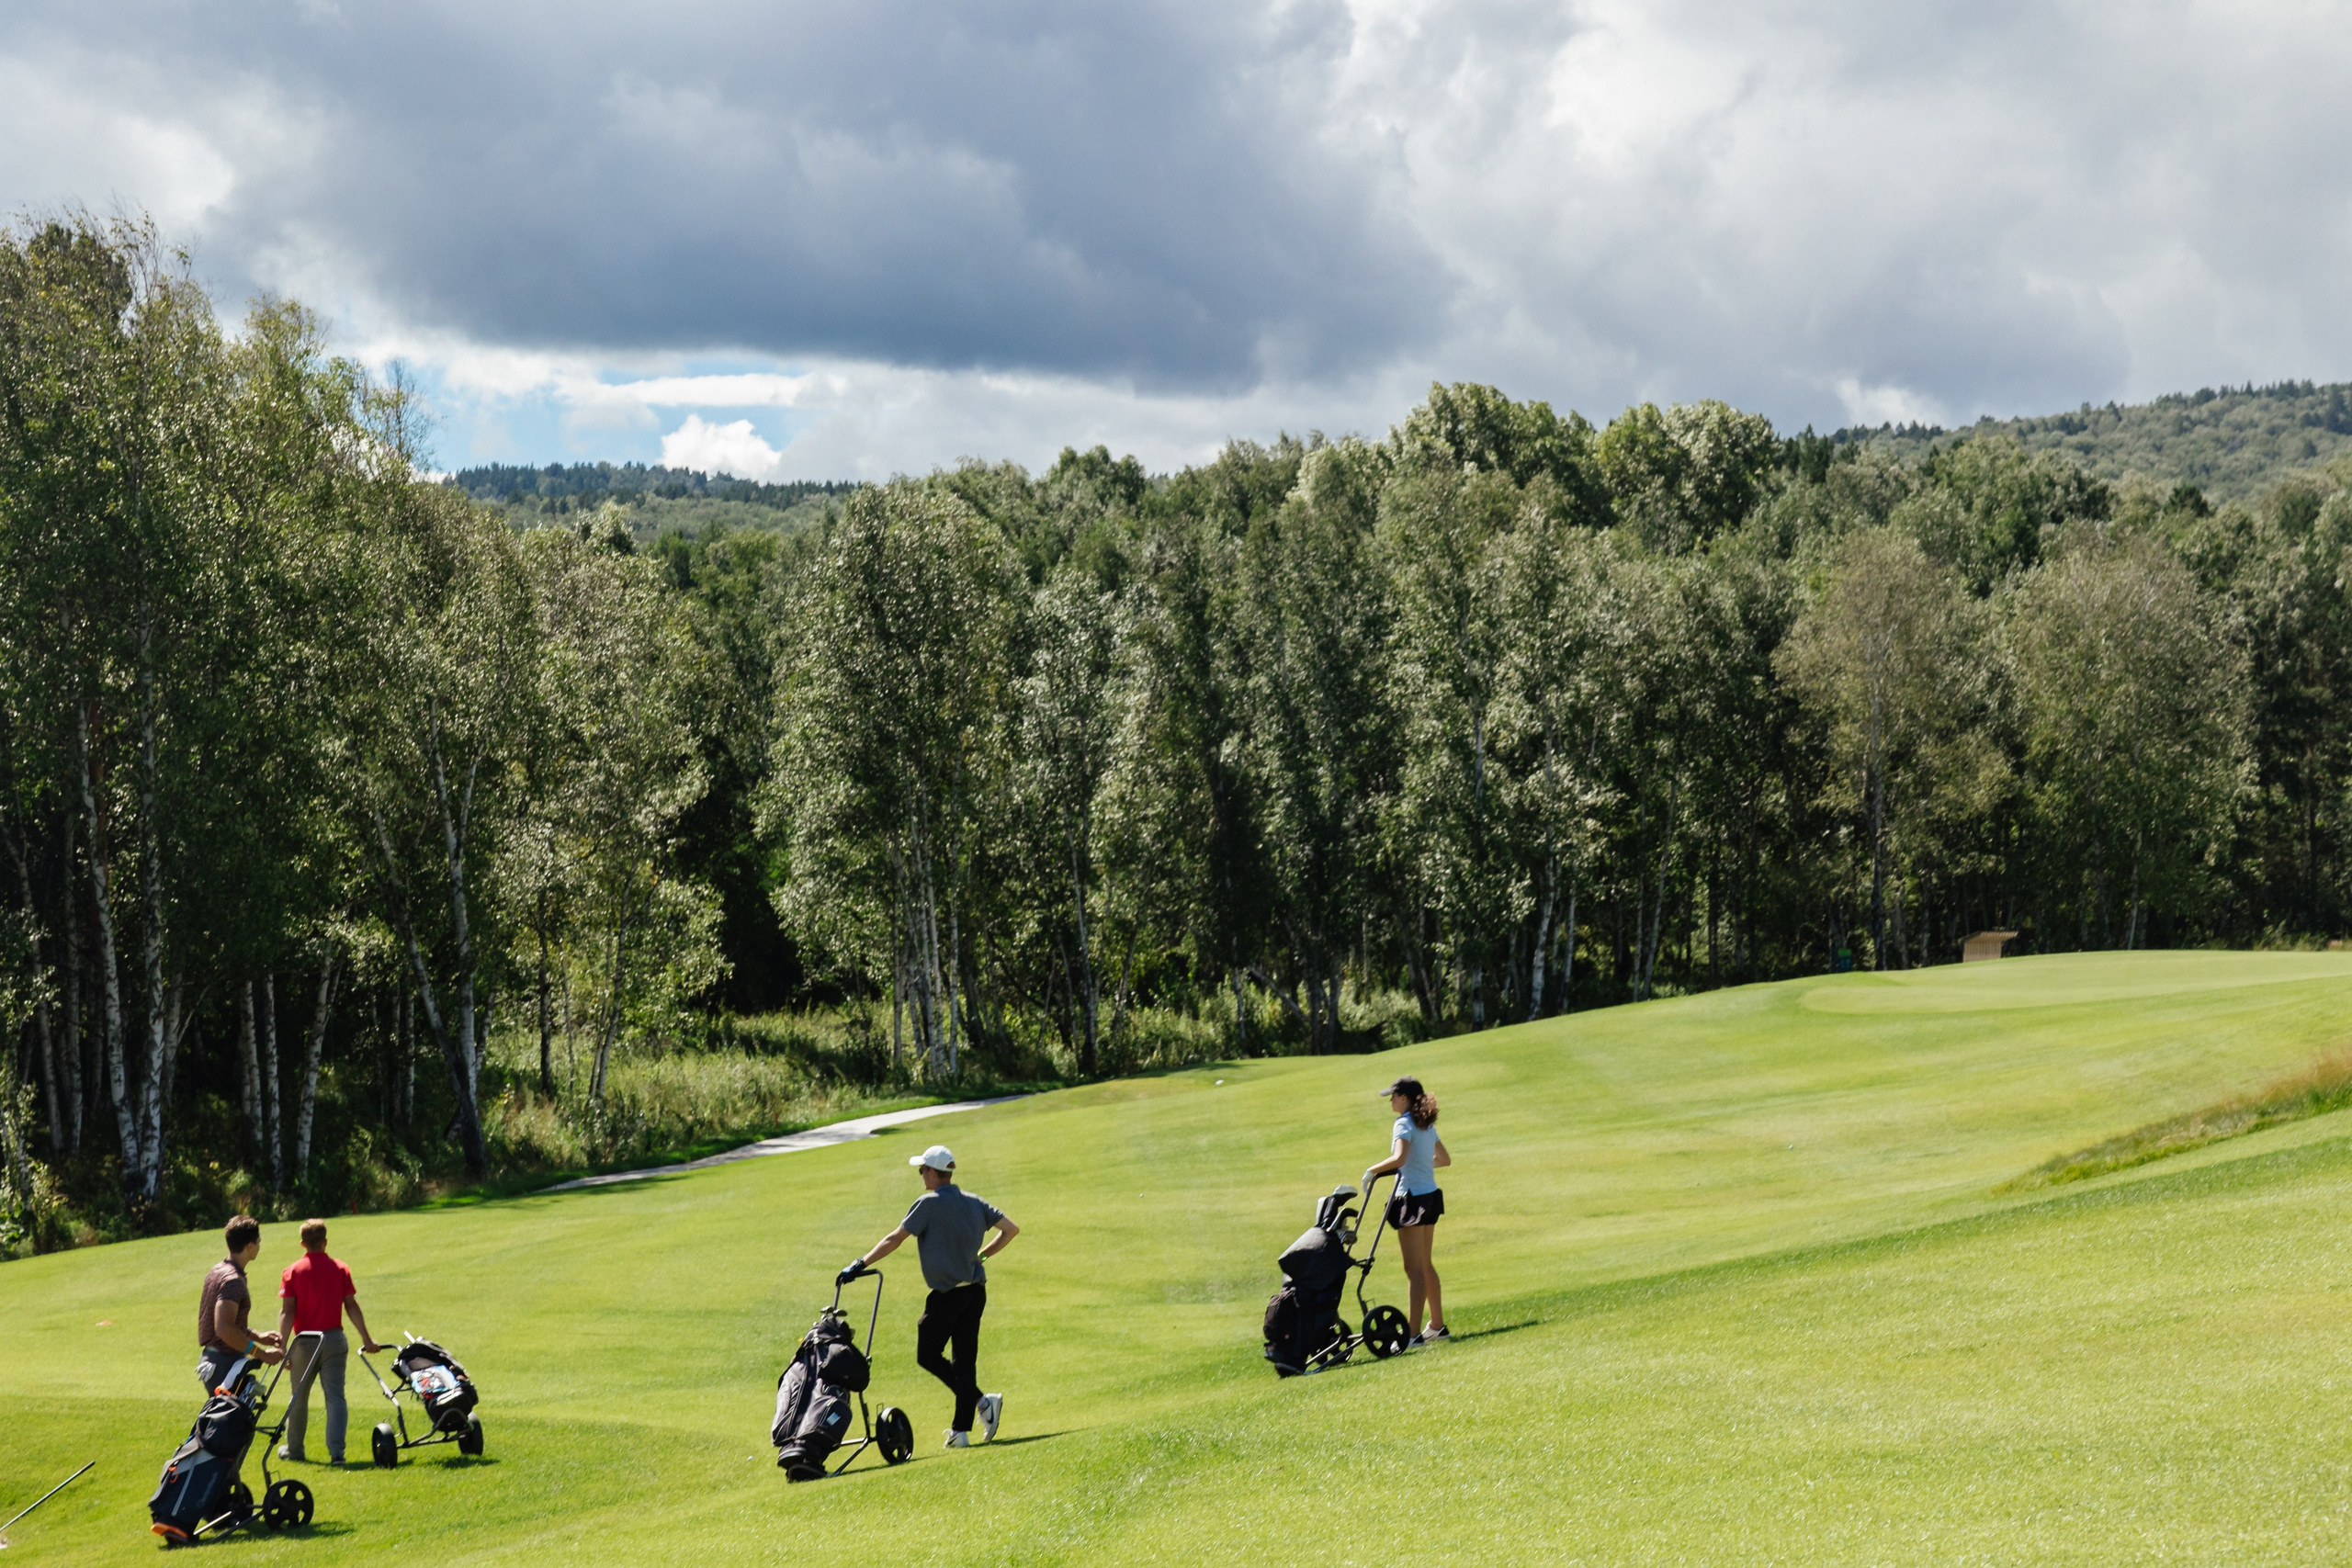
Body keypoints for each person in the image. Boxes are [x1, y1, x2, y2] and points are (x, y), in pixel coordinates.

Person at [841, 1144, 1018, 1450]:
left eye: (922, 1170)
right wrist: (982, 1257)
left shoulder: (928, 1203)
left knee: (928, 1354)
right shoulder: (974, 1202)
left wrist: (860, 1264)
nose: (921, 1175)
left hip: (948, 1296)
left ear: (934, 1173)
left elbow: (894, 1238)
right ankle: (965, 1426)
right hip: (975, 1292)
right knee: (964, 1362)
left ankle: (976, 1409)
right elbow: (1010, 1229)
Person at [275, 1218, 390, 1465]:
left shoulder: (292, 1271)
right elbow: (351, 1306)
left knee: (298, 1396)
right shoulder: (340, 1269)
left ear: (302, 1243)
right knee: (336, 1397)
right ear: (325, 1242)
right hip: (334, 1339)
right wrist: (367, 1338)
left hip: (304, 1342)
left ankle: (295, 1450)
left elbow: (288, 1311)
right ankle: (337, 1453)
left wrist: (282, 1345)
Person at [1363, 1076, 1450, 1345]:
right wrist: (1417, 1166)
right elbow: (1443, 1160)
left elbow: (1399, 1158)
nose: (1391, 1100)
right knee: (1425, 1265)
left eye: (1394, 1096)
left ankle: (1413, 1335)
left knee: (1413, 1269)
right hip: (1429, 1196)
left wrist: (1372, 1170)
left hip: (1411, 1200)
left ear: (1405, 1098)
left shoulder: (1402, 1124)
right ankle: (1436, 1326)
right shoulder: (1425, 1123)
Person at [197, 1214, 282, 1399]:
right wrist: (262, 1354)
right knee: (233, 1426)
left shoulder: (217, 1271)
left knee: (226, 1423)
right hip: (225, 1364)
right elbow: (225, 1328)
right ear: (249, 1246)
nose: (260, 1245)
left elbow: (228, 1323)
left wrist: (258, 1336)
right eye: (258, 1241)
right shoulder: (233, 1280)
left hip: (215, 1360)